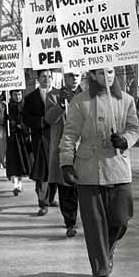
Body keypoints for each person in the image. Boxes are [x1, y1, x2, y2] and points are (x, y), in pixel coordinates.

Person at [59, 68, 139, 277]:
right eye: (101, 72)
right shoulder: (80, 101)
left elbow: (134, 128)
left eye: (111, 71)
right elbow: (69, 135)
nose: (108, 76)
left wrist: (124, 140)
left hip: (118, 168)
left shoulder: (127, 100)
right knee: (95, 226)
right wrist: (66, 163)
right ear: (92, 75)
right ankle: (103, 271)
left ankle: (108, 250)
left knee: (121, 219)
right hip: (89, 171)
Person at [45, 72, 82, 237]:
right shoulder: (52, 96)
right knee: (66, 187)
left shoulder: (87, 95)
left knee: (81, 187)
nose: (74, 79)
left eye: (77, 75)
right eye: (70, 76)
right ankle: (70, 222)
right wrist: (60, 105)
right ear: (63, 77)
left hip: (84, 148)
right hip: (64, 147)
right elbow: (49, 119)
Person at [23, 69, 53, 216]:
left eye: (49, 76)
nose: (46, 79)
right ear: (38, 78)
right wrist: (39, 122)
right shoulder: (30, 98)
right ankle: (43, 202)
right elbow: (25, 118)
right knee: (42, 170)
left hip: (56, 137)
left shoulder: (60, 95)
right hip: (40, 138)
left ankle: (50, 197)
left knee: (56, 168)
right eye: (43, 76)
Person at [6, 90, 32, 195]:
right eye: (15, 95)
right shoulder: (8, 107)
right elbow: (4, 121)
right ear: (11, 96)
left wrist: (23, 126)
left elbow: (29, 120)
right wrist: (9, 122)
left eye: (19, 94)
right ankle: (15, 183)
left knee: (22, 161)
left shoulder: (26, 106)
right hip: (12, 138)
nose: (17, 97)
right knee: (13, 161)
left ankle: (19, 183)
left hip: (23, 138)